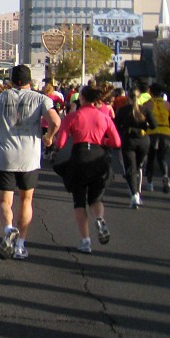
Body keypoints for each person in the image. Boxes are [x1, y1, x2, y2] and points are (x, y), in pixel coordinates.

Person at [0, 64, 60, 261]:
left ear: (12, 81)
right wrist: (49, 137)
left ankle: (8, 229)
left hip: (5, 156)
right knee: (26, 200)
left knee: (4, 201)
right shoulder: (41, 99)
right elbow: (55, 121)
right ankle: (21, 244)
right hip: (30, 158)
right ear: (30, 81)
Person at [50, 85, 121, 253]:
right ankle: (100, 218)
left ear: (82, 99)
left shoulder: (73, 117)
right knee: (96, 199)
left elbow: (60, 144)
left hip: (79, 156)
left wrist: (54, 148)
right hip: (98, 157)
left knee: (79, 201)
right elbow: (117, 142)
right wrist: (103, 142)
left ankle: (85, 240)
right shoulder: (104, 117)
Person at [115, 86, 155, 208]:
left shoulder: (123, 110)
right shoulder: (145, 110)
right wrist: (144, 125)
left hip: (128, 140)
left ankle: (134, 195)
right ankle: (138, 187)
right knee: (138, 166)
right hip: (143, 140)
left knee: (130, 168)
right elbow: (154, 125)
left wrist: (123, 130)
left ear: (128, 97)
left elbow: (115, 125)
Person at [142, 83, 170, 193]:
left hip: (152, 132)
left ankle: (150, 183)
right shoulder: (167, 104)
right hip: (165, 131)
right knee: (161, 157)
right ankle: (165, 176)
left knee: (151, 157)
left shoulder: (148, 104)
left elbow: (142, 117)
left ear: (150, 91)